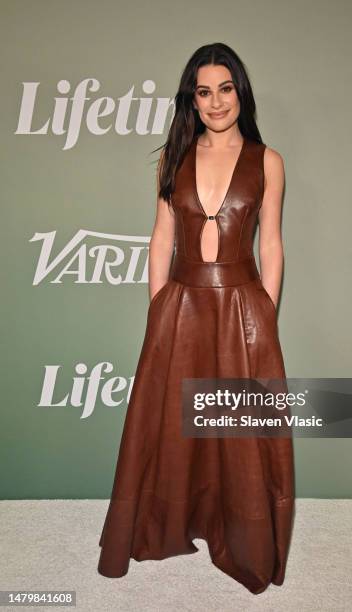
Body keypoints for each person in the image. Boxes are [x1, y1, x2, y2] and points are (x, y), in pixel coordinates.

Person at [98, 42, 295, 595]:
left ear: (240, 93)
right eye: (203, 91)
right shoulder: (173, 158)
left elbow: (272, 245)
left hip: (241, 307)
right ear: (193, 99)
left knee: (239, 430)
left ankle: (241, 534)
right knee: (170, 426)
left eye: (225, 89)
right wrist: (160, 307)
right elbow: (161, 239)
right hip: (180, 306)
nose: (215, 102)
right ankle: (169, 525)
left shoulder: (268, 160)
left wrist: (265, 314)